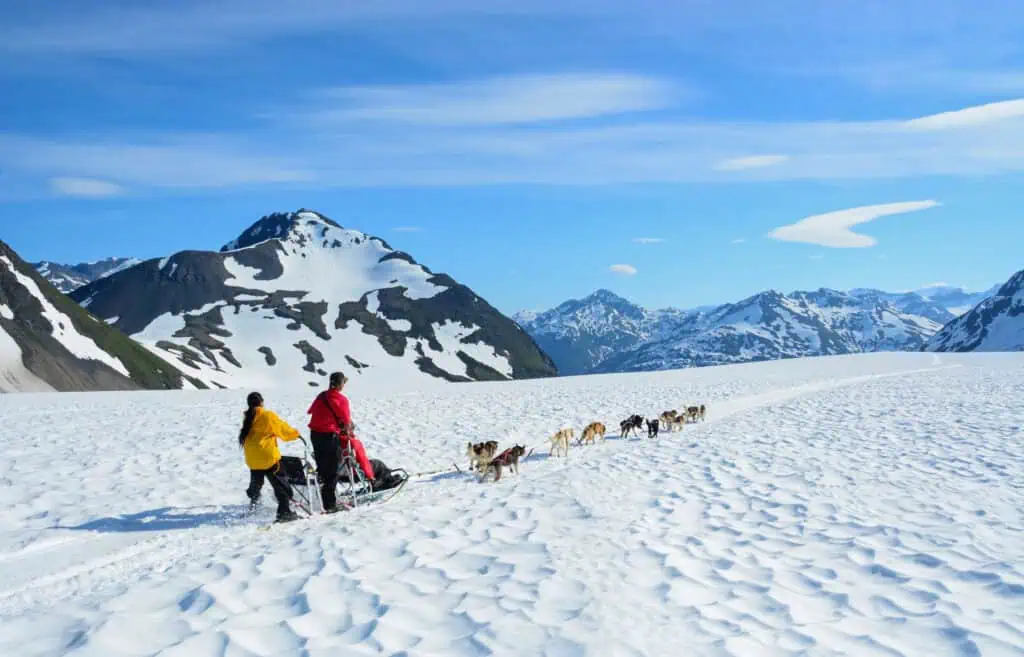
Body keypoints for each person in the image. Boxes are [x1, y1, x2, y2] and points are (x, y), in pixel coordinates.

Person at [307, 371, 374, 513]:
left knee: (322, 467)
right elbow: (346, 420)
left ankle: (323, 498)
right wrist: (348, 432)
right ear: (341, 384)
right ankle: (330, 505)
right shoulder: (341, 400)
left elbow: (311, 411)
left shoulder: (322, 395)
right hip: (329, 436)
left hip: (315, 434)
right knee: (332, 471)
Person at [239, 391, 300, 523]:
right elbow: (282, 429)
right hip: (268, 457)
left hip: (252, 459)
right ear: (261, 402)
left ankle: (254, 506)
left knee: (256, 484)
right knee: (282, 486)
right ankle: (284, 513)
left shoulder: (247, 417)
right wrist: (295, 434)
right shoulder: (268, 415)